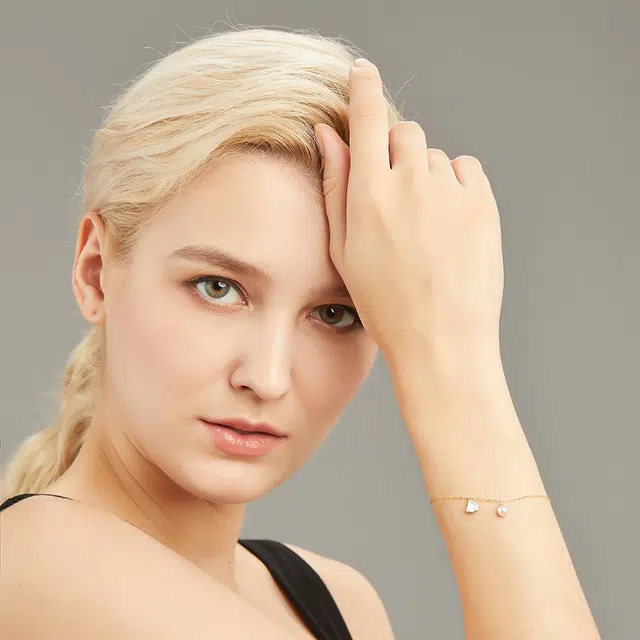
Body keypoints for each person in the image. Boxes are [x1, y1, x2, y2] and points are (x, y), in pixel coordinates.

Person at [0, 27, 599, 639]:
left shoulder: (342, 602)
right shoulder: (39, 561)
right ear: (96, 272)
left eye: (336, 314)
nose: (267, 377)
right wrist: (451, 355)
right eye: (217, 287)